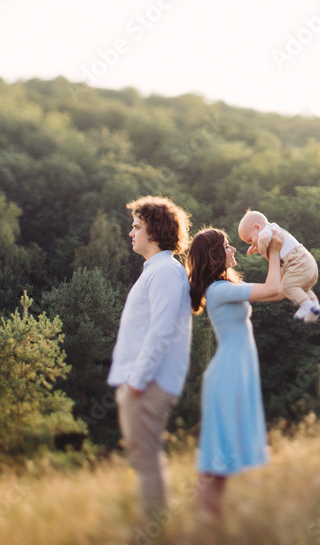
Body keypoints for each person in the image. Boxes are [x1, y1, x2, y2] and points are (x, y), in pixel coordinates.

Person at [186, 225, 285, 518]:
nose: (233, 250)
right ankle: (202, 520)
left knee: (223, 457)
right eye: (227, 245)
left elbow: (276, 294)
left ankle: (210, 524)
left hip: (237, 371)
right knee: (216, 455)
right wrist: (275, 252)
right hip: (228, 374)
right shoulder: (219, 291)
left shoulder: (224, 288)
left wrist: (272, 257)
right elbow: (273, 288)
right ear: (216, 254)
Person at [107, 196, 192, 517]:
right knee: (143, 461)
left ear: (154, 231)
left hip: (148, 384)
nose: (131, 232)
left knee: (146, 463)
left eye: (137, 226)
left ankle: (154, 532)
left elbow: (161, 332)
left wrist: (138, 383)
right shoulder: (157, 270)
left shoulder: (166, 272)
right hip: (142, 383)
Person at [237, 209, 320, 322]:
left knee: (287, 287)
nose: (253, 244)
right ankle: (314, 306)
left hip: (298, 262)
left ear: (257, 227)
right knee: (300, 288)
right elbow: (272, 254)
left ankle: (306, 305)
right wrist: (257, 248)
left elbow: (263, 239)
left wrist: (261, 249)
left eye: (250, 240)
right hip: (306, 264)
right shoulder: (273, 229)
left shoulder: (265, 232)